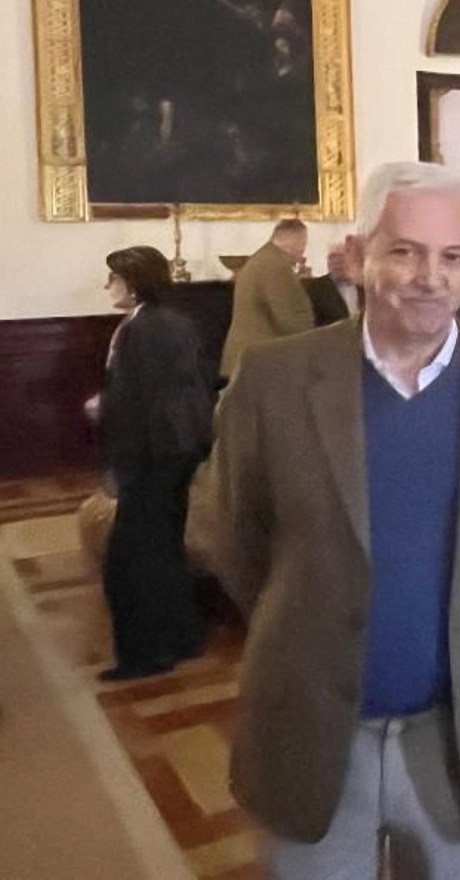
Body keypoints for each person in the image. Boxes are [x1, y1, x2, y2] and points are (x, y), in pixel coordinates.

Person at [205, 161, 460, 877]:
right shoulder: (272, 379)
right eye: (405, 250)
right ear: (360, 254)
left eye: (451, 256)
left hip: (455, 740)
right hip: (312, 736)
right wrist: (308, 614)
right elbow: (233, 539)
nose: (429, 275)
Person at [92, 246, 213, 681]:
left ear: (133, 281)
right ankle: (182, 637)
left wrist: (116, 468)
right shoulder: (178, 322)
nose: (108, 286)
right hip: (179, 450)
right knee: (164, 549)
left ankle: (145, 654)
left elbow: (135, 404)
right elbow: (185, 389)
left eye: (113, 278)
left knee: (129, 561)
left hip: (151, 454)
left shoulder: (139, 329)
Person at [220, 217, 314, 380]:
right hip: (262, 363)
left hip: (247, 358)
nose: (302, 252)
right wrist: (316, 339)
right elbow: (288, 318)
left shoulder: (261, 259)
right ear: (295, 241)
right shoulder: (276, 266)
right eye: (302, 245)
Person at [304, 236, 361, 326]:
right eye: (332, 257)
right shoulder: (314, 288)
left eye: (341, 256)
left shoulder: (367, 285)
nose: (337, 261)